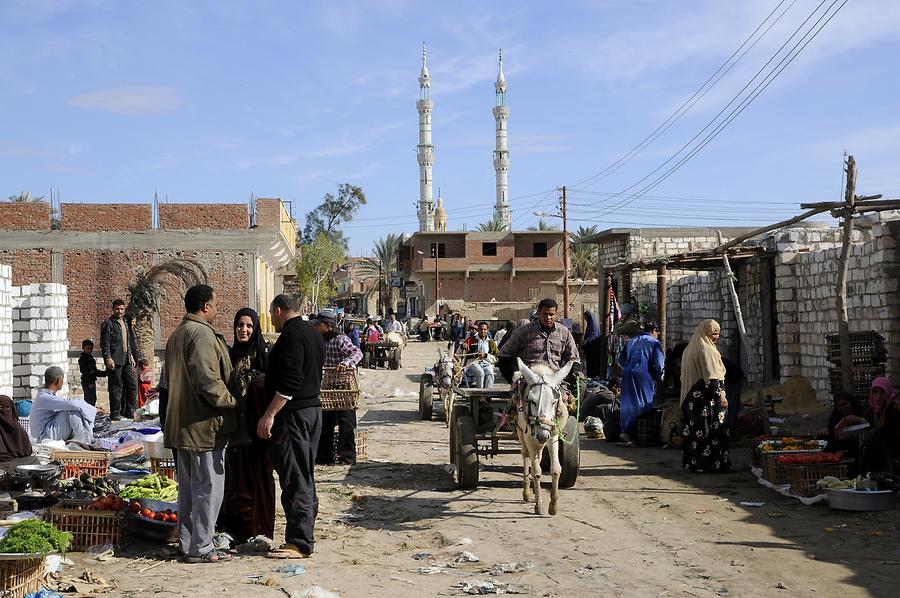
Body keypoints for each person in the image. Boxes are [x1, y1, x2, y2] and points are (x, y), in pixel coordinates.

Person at [164, 284, 238, 563]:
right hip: (203, 426)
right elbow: (208, 381)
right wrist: (232, 402)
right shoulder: (201, 334)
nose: (216, 310)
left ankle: (189, 544)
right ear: (205, 306)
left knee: (189, 489)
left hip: (182, 425)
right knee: (208, 488)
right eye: (215, 304)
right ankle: (202, 547)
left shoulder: (177, 334)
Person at [257, 294, 325, 559]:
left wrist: (269, 414)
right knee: (304, 475)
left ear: (277, 310)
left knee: (295, 477)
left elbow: (292, 380)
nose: (271, 319)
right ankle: (304, 534)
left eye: (271, 314)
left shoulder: (291, 336)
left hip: (294, 416)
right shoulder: (313, 332)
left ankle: (299, 542)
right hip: (311, 412)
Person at [219, 307, 275, 545]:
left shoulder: (264, 355)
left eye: (249, 326)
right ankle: (238, 530)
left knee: (259, 478)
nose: (244, 330)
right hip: (235, 430)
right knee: (236, 480)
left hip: (259, 430)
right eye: (240, 325)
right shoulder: (229, 356)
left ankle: (259, 528)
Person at [313, 311, 363, 465]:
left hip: (344, 388)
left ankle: (347, 457)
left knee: (346, 423)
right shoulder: (319, 340)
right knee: (325, 423)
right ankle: (324, 457)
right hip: (327, 389)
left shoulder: (340, 339)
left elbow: (357, 352)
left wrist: (346, 363)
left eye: (318, 325)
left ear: (328, 326)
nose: (315, 327)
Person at [680, 319, 730, 473]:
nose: (716, 337)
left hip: (692, 401)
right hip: (706, 402)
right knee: (709, 432)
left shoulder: (690, 349)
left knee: (695, 432)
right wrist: (721, 396)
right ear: (705, 333)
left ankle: (694, 463)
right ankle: (710, 464)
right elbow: (712, 380)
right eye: (713, 333)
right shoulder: (706, 351)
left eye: (718, 333)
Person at [498, 298, 582, 383]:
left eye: (551, 314)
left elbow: (574, 358)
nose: (548, 317)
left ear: (556, 314)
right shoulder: (524, 331)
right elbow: (504, 355)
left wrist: (575, 371)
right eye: (545, 314)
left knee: (581, 386)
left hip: (555, 378)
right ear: (539, 313)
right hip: (530, 379)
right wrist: (516, 375)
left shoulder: (564, 332)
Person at [617, 322, 665, 446]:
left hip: (627, 374)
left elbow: (621, 360)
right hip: (643, 375)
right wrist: (658, 376)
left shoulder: (631, 341)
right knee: (644, 404)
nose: (658, 335)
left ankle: (625, 432)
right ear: (654, 330)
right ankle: (637, 434)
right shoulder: (655, 343)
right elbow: (658, 365)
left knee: (628, 403)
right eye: (657, 333)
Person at [30, 366, 97, 443]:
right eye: (63, 379)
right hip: (44, 436)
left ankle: (86, 437)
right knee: (72, 410)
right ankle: (84, 440)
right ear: (58, 380)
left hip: (48, 431)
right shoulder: (44, 397)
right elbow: (72, 404)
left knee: (76, 408)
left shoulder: (45, 396)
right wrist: (93, 409)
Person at [100, 299, 140, 420]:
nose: (120, 311)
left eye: (122, 309)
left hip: (127, 359)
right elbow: (105, 343)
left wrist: (131, 355)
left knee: (132, 385)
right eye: (117, 309)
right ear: (113, 309)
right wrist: (108, 358)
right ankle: (115, 413)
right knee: (116, 387)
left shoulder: (126, 322)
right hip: (115, 359)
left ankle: (130, 411)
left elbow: (128, 341)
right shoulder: (108, 323)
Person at [863, 377, 900, 473]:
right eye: (875, 392)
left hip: (894, 455)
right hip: (877, 457)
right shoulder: (871, 411)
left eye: (882, 392)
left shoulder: (894, 408)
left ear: (887, 392)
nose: (878, 396)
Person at [463, 321, 500, 388]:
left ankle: (487, 394)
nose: (482, 331)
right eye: (481, 329)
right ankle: (480, 393)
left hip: (486, 362)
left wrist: (485, 355)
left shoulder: (491, 342)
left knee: (490, 373)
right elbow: (462, 351)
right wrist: (463, 346)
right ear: (478, 330)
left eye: (484, 329)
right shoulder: (470, 340)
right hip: (473, 362)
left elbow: (497, 357)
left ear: (487, 330)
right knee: (480, 373)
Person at [0, 395, 31, 459]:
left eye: (8, 407)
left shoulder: (19, 429)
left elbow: (27, 450)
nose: (4, 410)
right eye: (0, 408)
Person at [78, 339, 107, 407]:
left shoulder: (89, 357)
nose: (89, 350)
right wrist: (90, 382)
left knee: (93, 398)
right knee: (89, 399)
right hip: (87, 381)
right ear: (83, 348)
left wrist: (105, 373)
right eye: (88, 348)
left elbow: (94, 371)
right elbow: (86, 372)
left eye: (91, 349)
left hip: (91, 380)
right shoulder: (83, 359)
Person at [581, 311, 605, 379]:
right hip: (590, 350)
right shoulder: (590, 324)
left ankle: (594, 376)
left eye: (585, 317)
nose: (585, 319)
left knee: (594, 364)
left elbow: (594, 335)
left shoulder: (593, 325)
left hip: (594, 349)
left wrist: (586, 341)